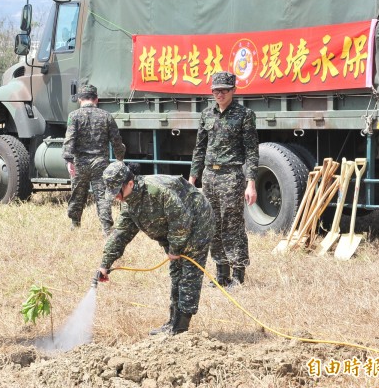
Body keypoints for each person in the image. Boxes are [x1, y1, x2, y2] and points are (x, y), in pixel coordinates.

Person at [97, 161, 214, 335]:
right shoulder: (130, 202)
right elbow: (121, 234)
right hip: (177, 230)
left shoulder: (156, 191)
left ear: (130, 183)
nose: (116, 197)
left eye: (117, 192)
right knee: (176, 274)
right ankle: (172, 322)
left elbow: (181, 219)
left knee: (189, 276)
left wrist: (175, 250)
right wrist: (105, 264)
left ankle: (180, 329)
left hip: (198, 221)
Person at [189, 71, 259, 288]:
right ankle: (221, 274)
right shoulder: (206, 115)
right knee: (213, 224)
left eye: (224, 90)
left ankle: (238, 275)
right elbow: (199, 148)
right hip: (209, 176)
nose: (219, 94)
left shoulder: (244, 115)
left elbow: (252, 151)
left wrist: (251, 183)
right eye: (216, 90)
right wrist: (192, 180)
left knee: (233, 225)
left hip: (231, 175)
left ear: (233, 91)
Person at [62, 84, 125, 235]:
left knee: (77, 194)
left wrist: (69, 160)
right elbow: (116, 141)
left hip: (80, 163)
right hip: (100, 163)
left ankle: (74, 224)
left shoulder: (74, 116)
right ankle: (107, 229)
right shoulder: (106, 116)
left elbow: (70, 139)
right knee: (103, 196)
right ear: (97, 99)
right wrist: (119, 159)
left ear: (79, 99)